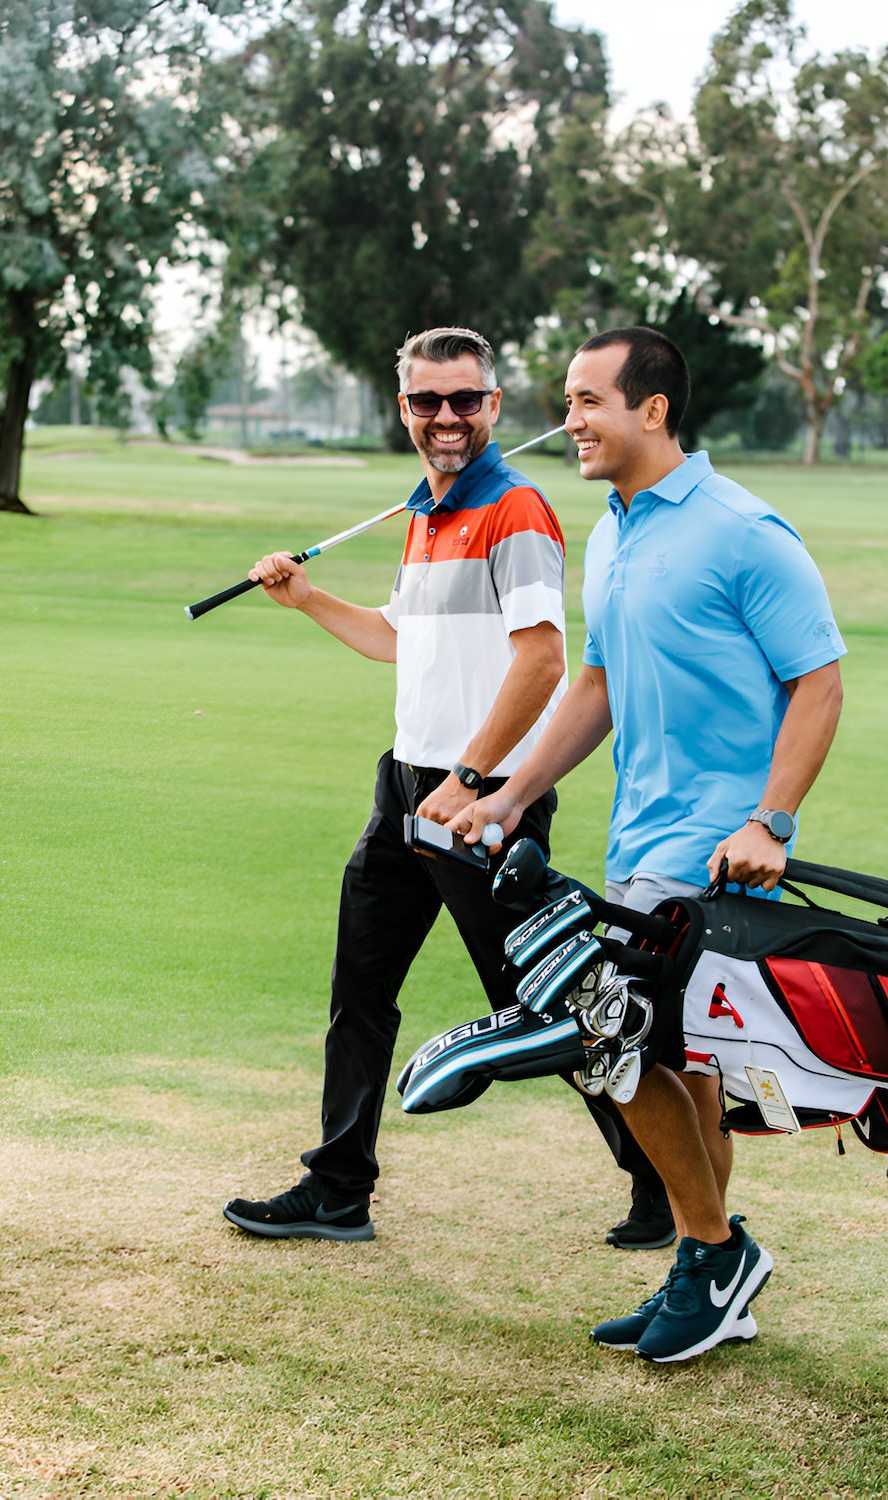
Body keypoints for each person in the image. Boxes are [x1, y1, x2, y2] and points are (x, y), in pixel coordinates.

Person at [222, 325, 669, 1246]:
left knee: (549, 1011)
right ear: (404, 410)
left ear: (492, 406)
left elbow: (542, 662)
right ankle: (337, 1188)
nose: (446, 417)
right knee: (360, 995)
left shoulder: (517, 510)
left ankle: (664, 1184)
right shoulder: (423, 517)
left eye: (464, 399)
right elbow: (397, 638)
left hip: (485, 804)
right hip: (403, 795)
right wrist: (305, 599)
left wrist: (471, 778)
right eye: (427, 401)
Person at [452, 326, 845, 1362]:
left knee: (607, 1039)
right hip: (639, 837)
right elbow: (598, 685)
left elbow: (817, 679)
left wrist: (770, 821)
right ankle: (709, 1271)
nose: (565, 420)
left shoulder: (742, 531)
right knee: (687, 1067)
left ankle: (716, 1255)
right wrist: (508, 793)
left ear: (653, 410)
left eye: (585, 401)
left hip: (713, 854)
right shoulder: (616, 530)